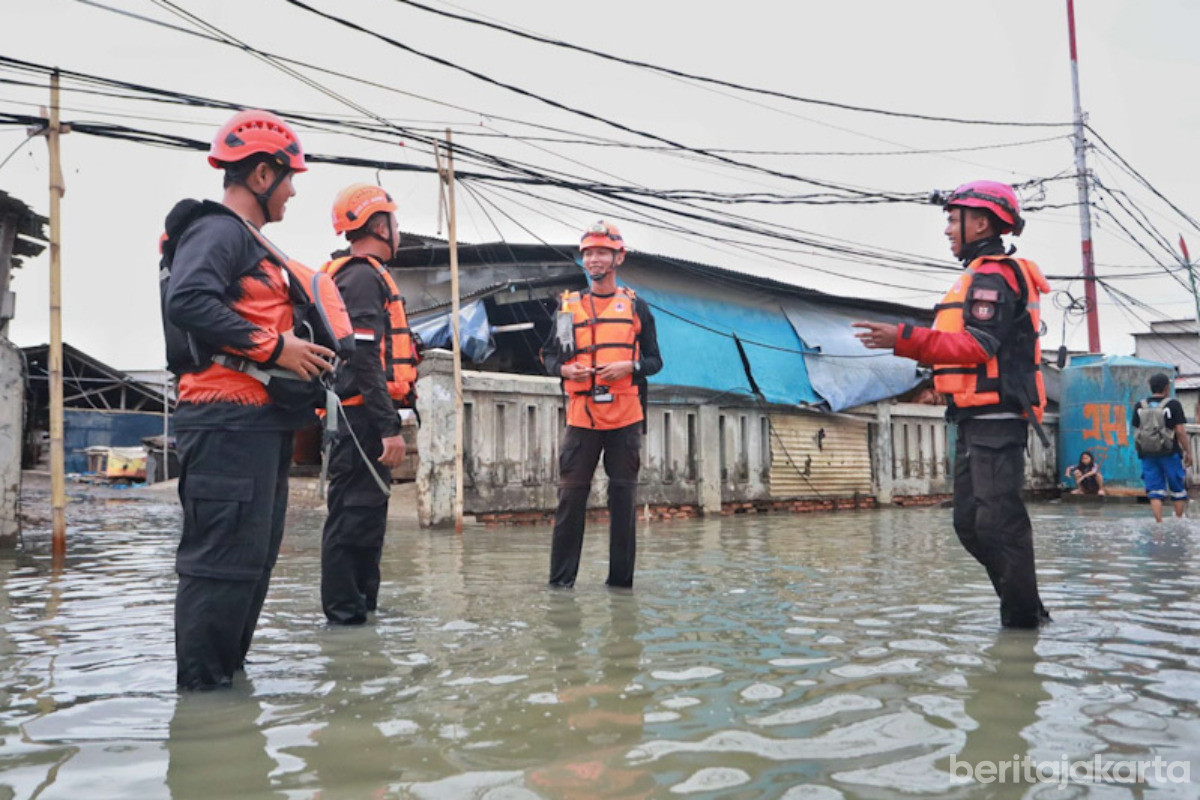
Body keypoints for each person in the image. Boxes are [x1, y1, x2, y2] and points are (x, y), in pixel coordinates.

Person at [161, 109, 336, 689]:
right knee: (219, 569)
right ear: (262, 175)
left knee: (251, 567)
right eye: (289, 179)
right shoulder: (219, 230)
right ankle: (204, 719)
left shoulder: (253, 243)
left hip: (256, 428)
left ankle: (227, 695)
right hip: (223, 423)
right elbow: (188, 300)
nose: (291, 191)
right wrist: (273, 348)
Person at [853, 180, 1051, 629]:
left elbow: (978, 346)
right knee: (969, 523)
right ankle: (1027, 608)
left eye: (953, 219)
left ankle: (1022, 628)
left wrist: (902, 339)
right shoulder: (979, 275)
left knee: (999, 524)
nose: (947, 230)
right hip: (973, 417)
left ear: (980, 222)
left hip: (998, 417)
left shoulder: (994, 276)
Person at [540, 221, 663, 589]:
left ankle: (621, 586)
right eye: (588, 253)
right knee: (569, 502)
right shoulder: (567, 308)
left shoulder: (637, 307)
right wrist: (565, 368)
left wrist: (631, 366)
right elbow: (548, 357)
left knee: (623, 504)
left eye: (601, 252)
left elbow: (656, 361)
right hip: (581, 418)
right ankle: (561, 587)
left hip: (625, 418)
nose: (593, 259)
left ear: (618, 257)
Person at [319, 183, 419, 624]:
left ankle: (362, 613)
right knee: (352, 522)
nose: (399, 229)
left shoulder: (362, 274)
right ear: (380, 225)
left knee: (366, 522)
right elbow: (362, 356)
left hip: (362, 415)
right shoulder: (360, 277)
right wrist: (388, 427)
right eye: (394, 221)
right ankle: (345, 620)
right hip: (359, 418)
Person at [1131, 372, 1192, 522]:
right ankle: (1178, 520)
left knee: (1154, 490)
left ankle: (1158, 523)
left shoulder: (1140, 405)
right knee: (1177, 488)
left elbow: (1136, 430)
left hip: (1148, 454)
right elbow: (1180, 430)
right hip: (1169, 452)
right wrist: (1188, 451)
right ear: (1167, 387)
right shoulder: (1173, 404)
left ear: (1150, 387)